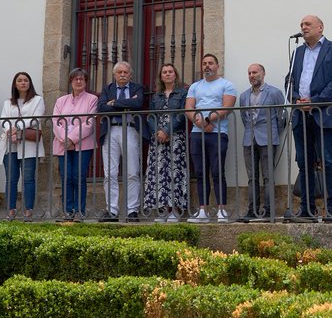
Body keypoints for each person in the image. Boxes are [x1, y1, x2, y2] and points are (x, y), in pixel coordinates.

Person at [288, 15, 332, 223]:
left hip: (323, 113)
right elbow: (291, 80)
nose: (303, 27)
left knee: (328, 161)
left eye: (307, 24)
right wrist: (296, 99)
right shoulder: (297, 52)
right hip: (300, 114)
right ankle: (307, 209)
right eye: (301, 25)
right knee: (304, 163)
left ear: (320, 28)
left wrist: (315, 101)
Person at [184, 54, 237, 223]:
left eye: (210, 63)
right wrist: (199, 122)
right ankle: (203, 211)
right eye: (204, 63)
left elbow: (227, 107)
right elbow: (189, 108)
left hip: (218, 133)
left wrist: (208, 120)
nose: (207, 66)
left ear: (217, 66)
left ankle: (222, 210)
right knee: (200, 172)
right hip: (197, 133)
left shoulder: (226, 85)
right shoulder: (195, 86)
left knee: (217, 171)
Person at [97, 61, 147, 222]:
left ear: (130, 75)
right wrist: (127, 104)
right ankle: (111, 210)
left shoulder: (137, 88)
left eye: (126, 72)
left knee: (132, 171)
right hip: (111, 130)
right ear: (114, 75)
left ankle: (132, 210)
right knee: (110, 173)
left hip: (130, 130)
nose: (123, 75)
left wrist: (114, 103)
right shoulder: (107, 89)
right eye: (120, 72)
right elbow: (102, 108)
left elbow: (138, 103)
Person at [237, 63, 287, 223]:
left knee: (268, 176)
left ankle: (268, 210)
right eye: (249, 73)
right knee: (252, 177)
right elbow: (244, 118)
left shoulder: (274, 93)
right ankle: (252, 210)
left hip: (268, 139)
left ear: (263, 74)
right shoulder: (244, 96)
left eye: (255, 72)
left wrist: (272, 133)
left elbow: (282, 117)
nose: (252, 75)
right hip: (249, 139)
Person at [143, 63, 189, 222]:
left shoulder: (183, 93)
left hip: (175, 137)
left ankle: (175, 210)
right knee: (159, 172)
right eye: (165, 72)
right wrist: (158, 132)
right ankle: (162, 209)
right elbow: (151, 116)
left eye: (170, 71)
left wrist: (167, 131)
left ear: (175, 74)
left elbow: (183, 115)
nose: (168, 74)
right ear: (161, 76)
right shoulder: (156, 96)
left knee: (175, 172)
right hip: (158, 139)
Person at [0, 72, 45, 221]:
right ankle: (10, 210)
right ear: (15, 84)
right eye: (20, 80)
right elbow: (3, 120)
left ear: (30, 83)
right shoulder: (8, 102)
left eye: (26, 80)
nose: (23, 83)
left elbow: (35, 118)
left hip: (27, 143)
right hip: (10, 143)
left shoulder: (37, 100)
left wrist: (16, 129)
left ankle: (28, 210)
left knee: (28, 178)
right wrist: (10, 131)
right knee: (11, 179)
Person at [52, 68, 97, 221]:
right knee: (66, 177)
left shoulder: (92, 99)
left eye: (82, 79)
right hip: (62, 144)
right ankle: (67, 210)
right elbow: (55, 121)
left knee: (79, 176)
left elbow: (89, 123)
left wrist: (72, 138)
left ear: (85, 82)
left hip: (83, 144)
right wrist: (64, 139)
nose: (78, 82)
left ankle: (79, 211)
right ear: (70, 81)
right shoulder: (60, 101)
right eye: (75, 79)